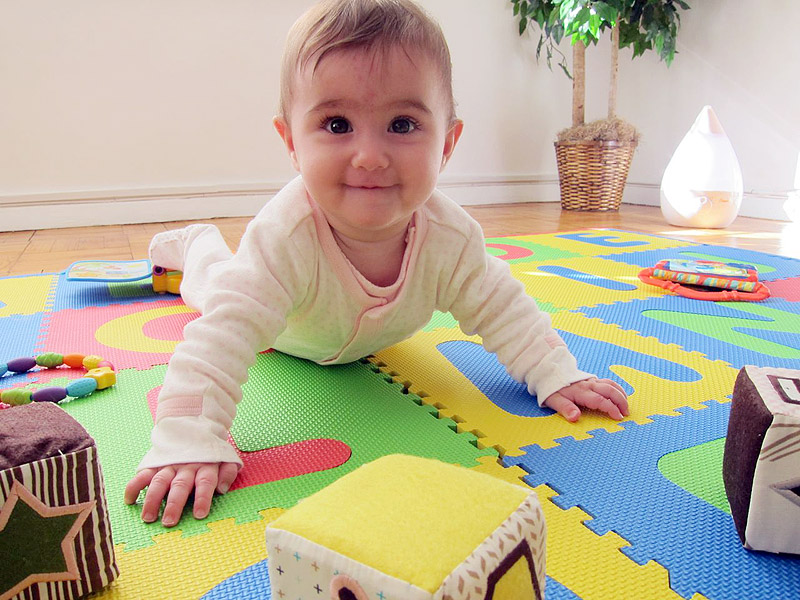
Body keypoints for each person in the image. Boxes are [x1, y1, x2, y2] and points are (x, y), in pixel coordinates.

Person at [125, 0, 628, 528]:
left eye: (402, 124)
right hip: (287, 323)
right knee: (210, 287)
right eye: (337, 123)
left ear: (448, 143)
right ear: (292, 142)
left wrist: (555, 371)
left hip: (342, 334)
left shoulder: (450, 239)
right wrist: (188, 439)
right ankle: (198, 241)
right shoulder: (282, 239)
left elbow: (503, 307)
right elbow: (216, 343)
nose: (369, 155)